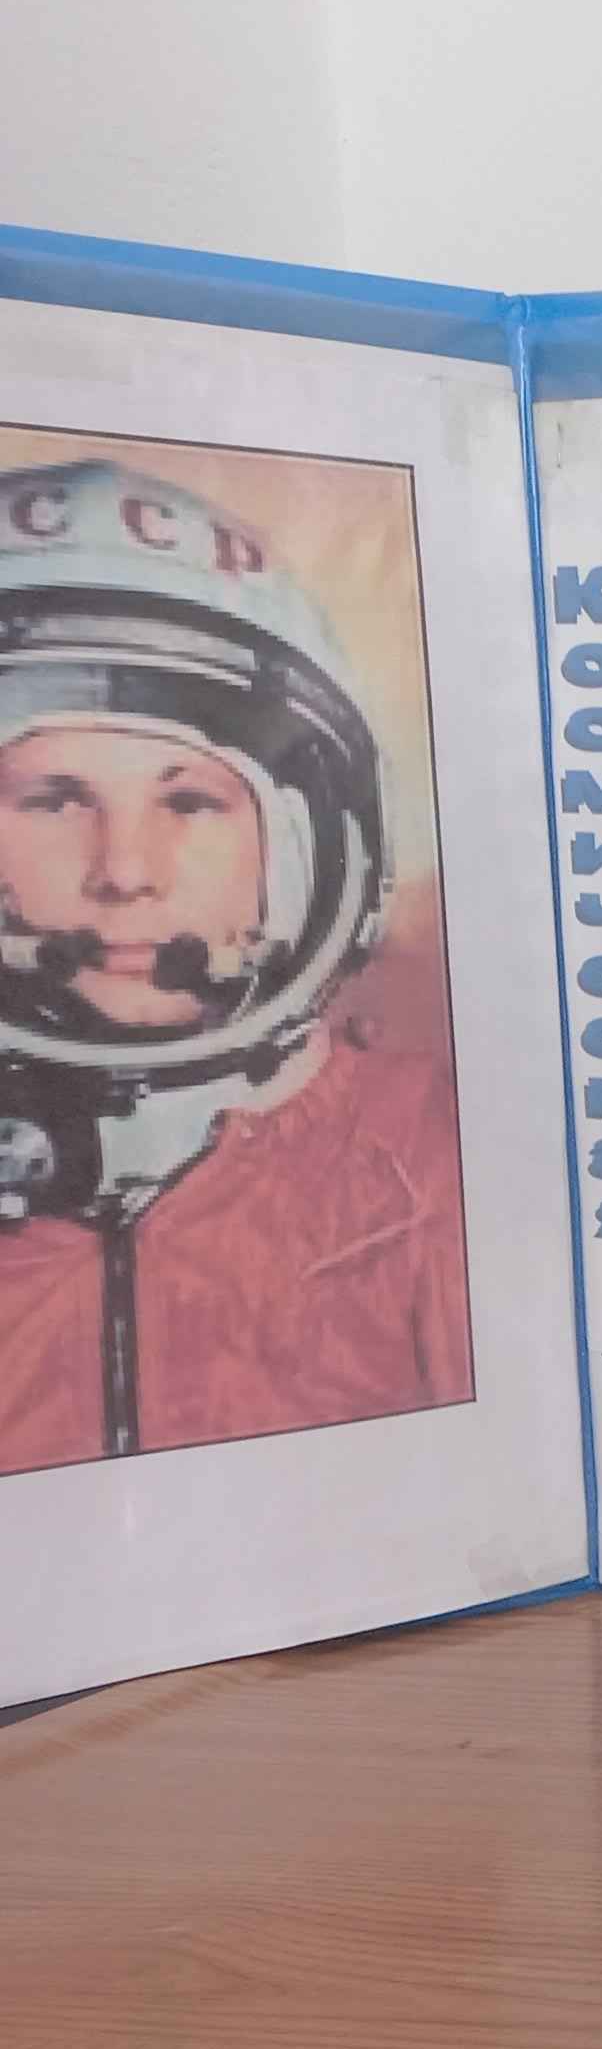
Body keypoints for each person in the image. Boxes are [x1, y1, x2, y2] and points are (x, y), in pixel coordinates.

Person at [0, 458, 471, 1473]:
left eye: (190, 802)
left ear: (294, 848)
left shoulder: (436, 1174)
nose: (126, 873)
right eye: (54, 799)